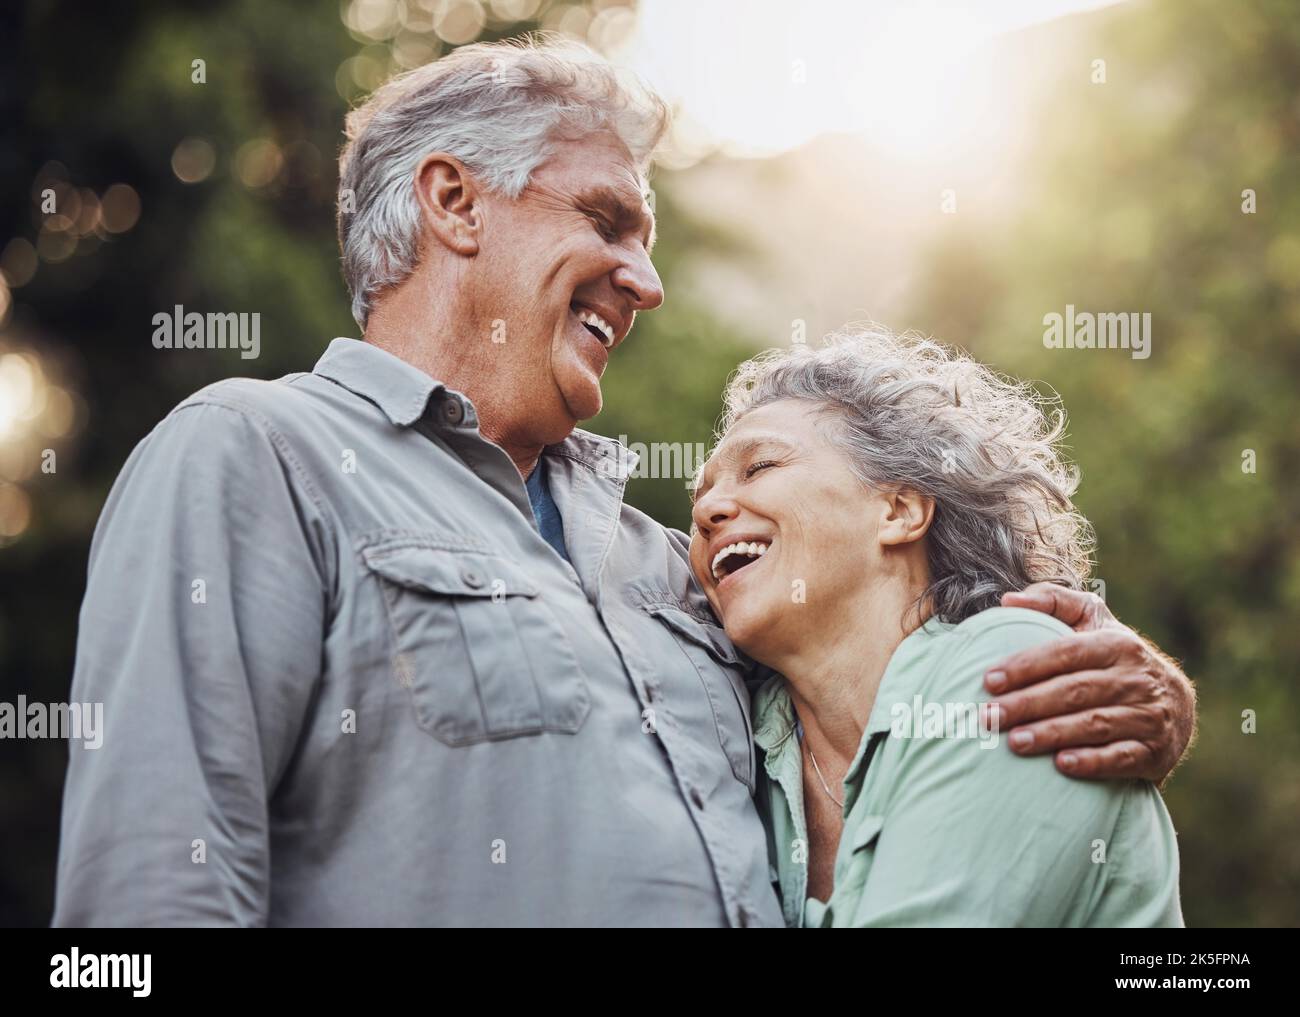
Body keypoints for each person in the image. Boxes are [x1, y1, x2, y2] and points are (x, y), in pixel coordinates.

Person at [53, 38, 1194, 927]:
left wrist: (1137, 691)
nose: (646, 282)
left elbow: (884, 685)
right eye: (605, 220)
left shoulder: (672, 570)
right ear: (453, 202)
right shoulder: (257, 456)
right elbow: (151, 893)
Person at [690, 328, 1183, 926]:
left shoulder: (1009, 663)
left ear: (898, 512)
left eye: (760, 466)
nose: (706, 510)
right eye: (703, 492)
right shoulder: (743, 730)